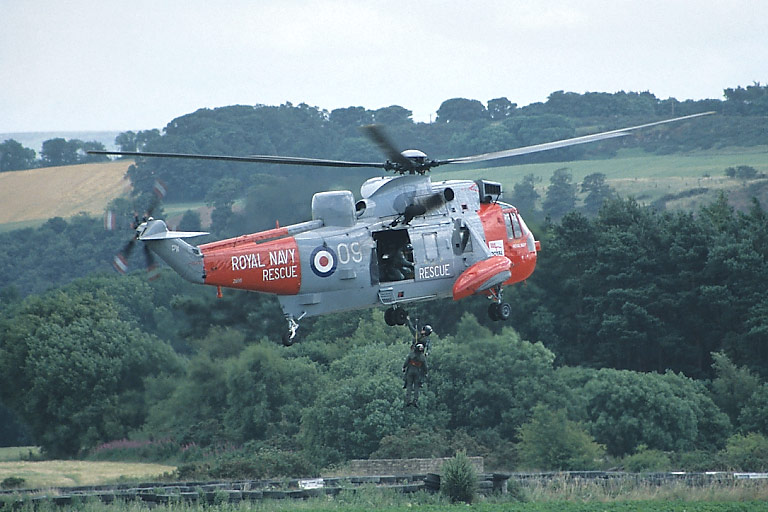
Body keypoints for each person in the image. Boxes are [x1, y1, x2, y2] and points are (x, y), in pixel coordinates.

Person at [403, 342, 428, 407]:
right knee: (416, 387)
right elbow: (425, 366)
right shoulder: (422, 357)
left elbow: (406, 362)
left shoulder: (411, 354)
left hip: (410, 371)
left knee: (409, 386)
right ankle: (415, 400)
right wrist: (425, 372)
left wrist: (404, 367)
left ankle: (408, 400)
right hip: (418, 372)